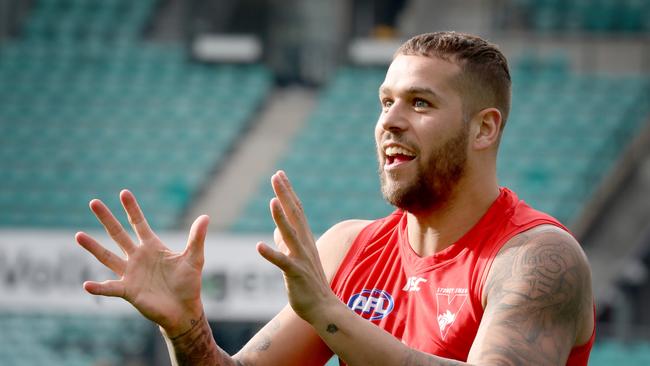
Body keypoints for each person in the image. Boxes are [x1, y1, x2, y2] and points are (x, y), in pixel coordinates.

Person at [75, 31, 595, 365]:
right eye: (385, 102)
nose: (390, 120)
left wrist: (329, 313)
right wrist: (186, 326)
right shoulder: (350, 248)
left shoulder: (537, 257)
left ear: (484, 129)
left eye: (419, 103)